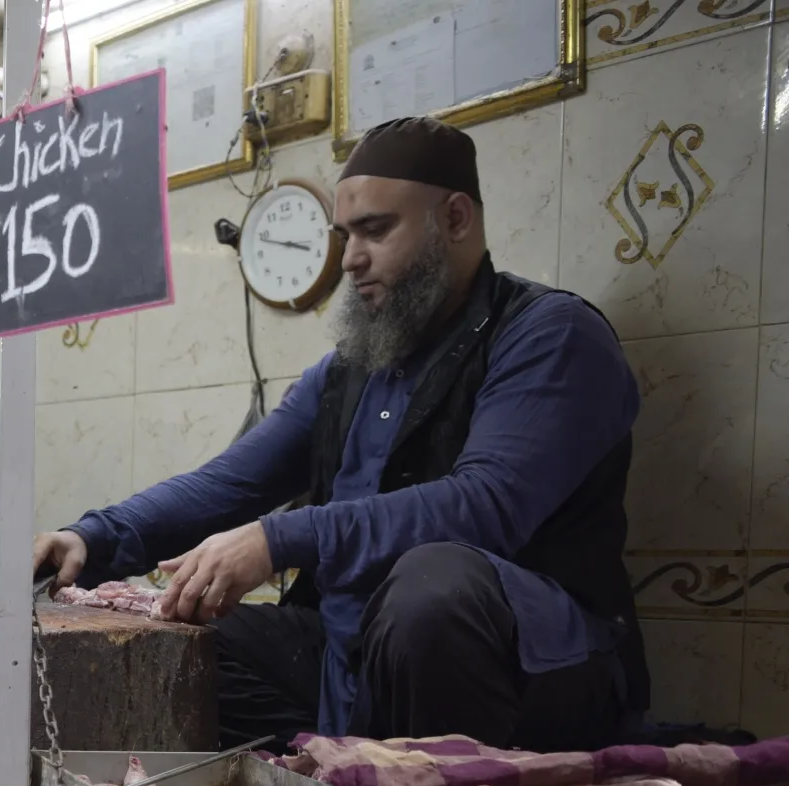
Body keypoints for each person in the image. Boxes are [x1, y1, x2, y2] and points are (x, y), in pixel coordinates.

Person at [34, 116, 646, 752]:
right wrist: (91, 536)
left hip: (516, 661)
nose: (350, 258)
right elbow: (229, 483)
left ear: (456, 219)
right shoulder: (348, 373)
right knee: (166, 648)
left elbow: (486, 505)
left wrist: (280, 538)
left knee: (430, 590)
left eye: (375, 231)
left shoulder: (550, 336)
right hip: (346, 657)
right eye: (344, 234)